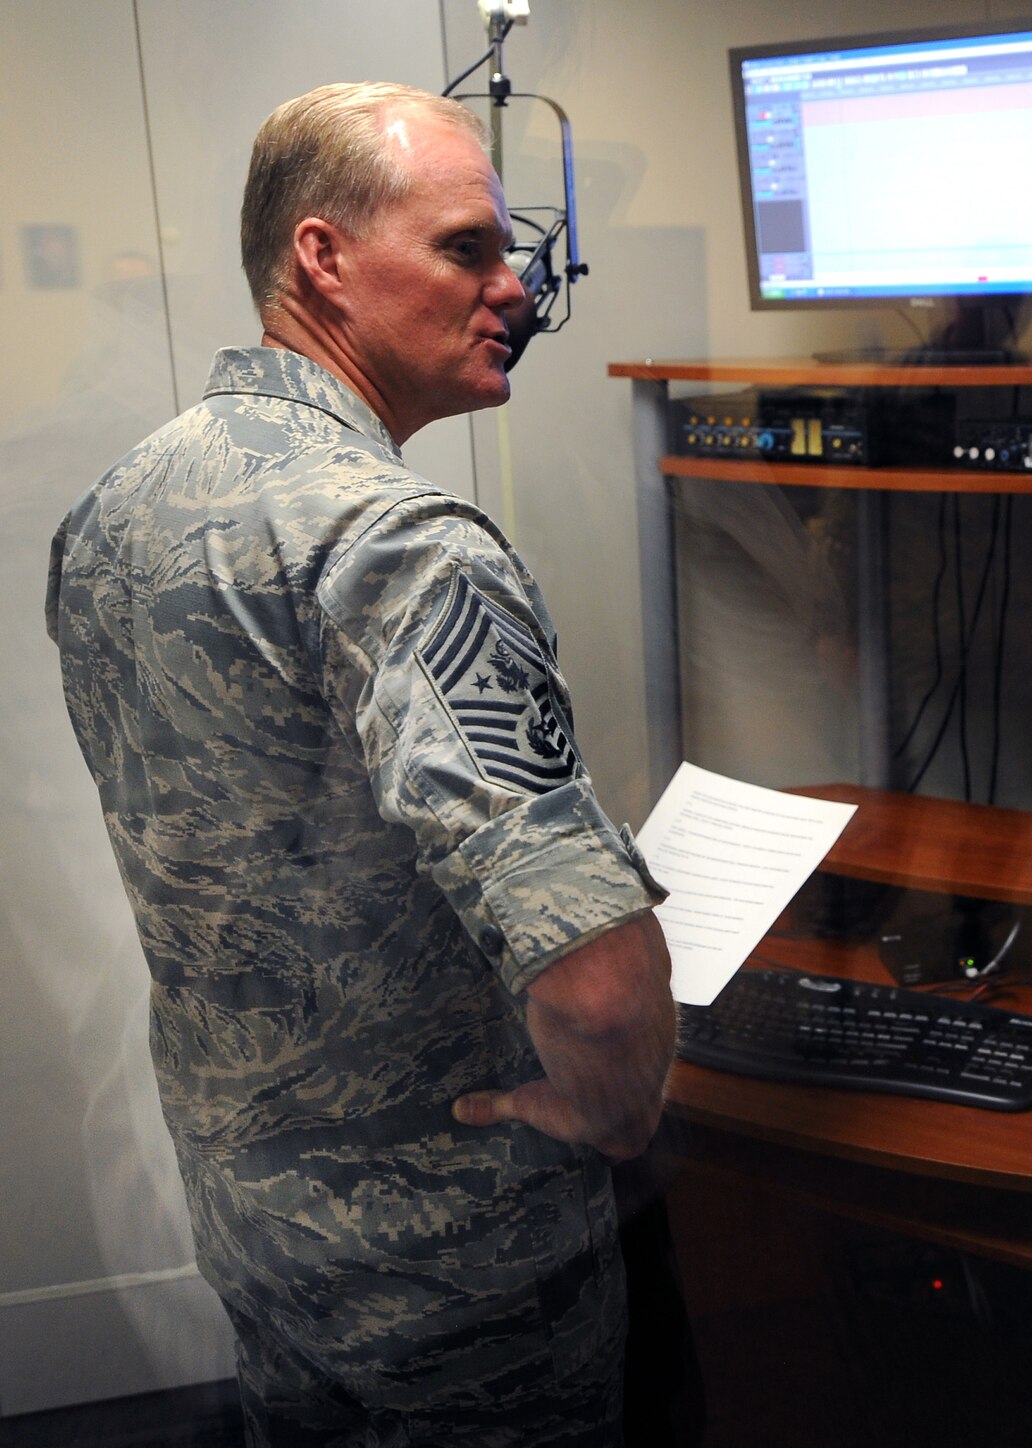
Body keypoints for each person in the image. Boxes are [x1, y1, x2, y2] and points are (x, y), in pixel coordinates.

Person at [46, 82, 676, 1446]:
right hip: (463, 1288)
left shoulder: (116, 512)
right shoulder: (400, 546)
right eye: (468, 248)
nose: (515, 289)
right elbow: (606, 994)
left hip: (262, 1238)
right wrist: (619, 1116)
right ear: (321, 257)